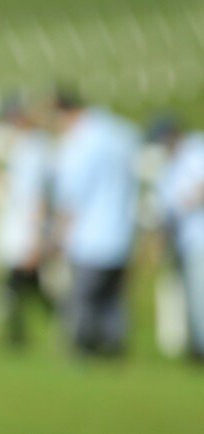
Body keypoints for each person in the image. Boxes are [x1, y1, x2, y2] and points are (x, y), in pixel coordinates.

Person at [49, 87, 139, 358]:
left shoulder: (80, 142)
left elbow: (72, 194)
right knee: (113, 302)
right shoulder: (121, 132)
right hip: (122, 232)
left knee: (84, 301)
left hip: (90, 236)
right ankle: (113, 353)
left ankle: (84, 351)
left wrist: (57, 235)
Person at [0, 95, 55, 348]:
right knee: (28, 289)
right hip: (19, 232)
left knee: (15, 289)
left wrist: (34, 240)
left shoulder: (35, 151)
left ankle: (16, 337)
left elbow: (36, 198)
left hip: (26, 234)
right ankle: (17, 336)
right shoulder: (23, 149)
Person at [148, 115, 204, 362]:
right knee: (192, 296)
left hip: (199, 237)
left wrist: (186, 203)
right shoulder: (171, 164)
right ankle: (196, 345)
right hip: (185, 241)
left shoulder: (197, 150)